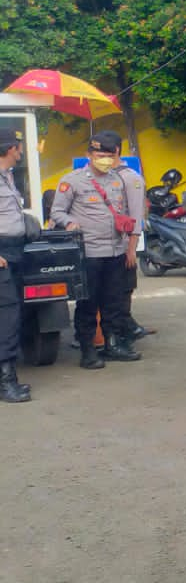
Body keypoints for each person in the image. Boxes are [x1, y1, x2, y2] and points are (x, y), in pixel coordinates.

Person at [49, 130, 144, 369]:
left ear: (115, 156)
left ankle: (112, 345)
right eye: (99, 154)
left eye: (109, 155)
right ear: (88, 155)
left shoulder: (118, 180)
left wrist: (130, 245)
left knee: (113, 302)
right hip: (89, 253)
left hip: (115, 251)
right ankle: (88, 350)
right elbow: (56, 211)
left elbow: (127, 211)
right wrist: (70, 222)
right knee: (88, 303)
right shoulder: (72, 181)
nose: (104, 159)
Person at [0, 129, 30, 403]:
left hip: (13, 251)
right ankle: (6, 382)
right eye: (19, 147)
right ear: (11, 149)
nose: (21, 152)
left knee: (12, 312)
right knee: (6, 315)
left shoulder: (8, 177)